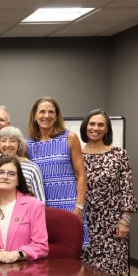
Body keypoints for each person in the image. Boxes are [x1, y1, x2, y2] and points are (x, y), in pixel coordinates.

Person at [79, 109, 138, 276]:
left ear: (106, 129)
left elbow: (127, 189)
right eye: (92, 124)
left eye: (100, 124)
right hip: (83, 222)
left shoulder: (119, 155)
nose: (95, 128)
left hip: (111, 225)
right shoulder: (75, 154)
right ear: (85, 127)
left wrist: (125, 221)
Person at [26, 97, 87, 242]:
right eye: (42, 112)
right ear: (34, 116)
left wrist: (79, 207)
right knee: (44, 252)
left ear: (56, 116)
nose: (46, 116)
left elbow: (81, 175)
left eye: (51, 112)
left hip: (68, 206)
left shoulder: (70, 138)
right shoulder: (27, 143)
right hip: (42, 208)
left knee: (71, 254)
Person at [0, 126, 45, 203]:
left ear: (19, 144)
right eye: (3, 141)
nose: (8, 145)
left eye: (12, 141)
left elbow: (40, 201)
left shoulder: (32, 168)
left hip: (27, 212)